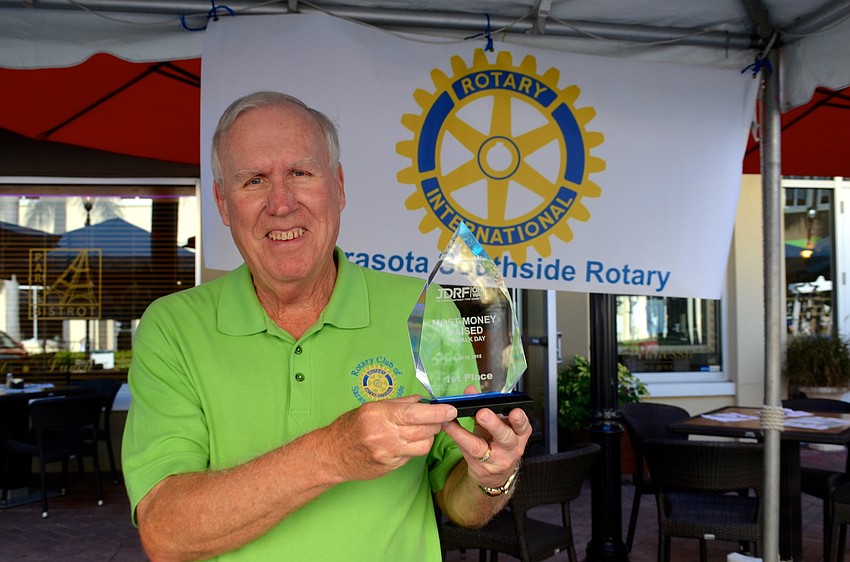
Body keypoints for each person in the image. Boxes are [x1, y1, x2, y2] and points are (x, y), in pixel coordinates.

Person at [121, 90, 531, 561]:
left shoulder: (430, 309)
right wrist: (334, 452)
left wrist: (493, 475)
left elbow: (461, 499)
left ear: (337, 186)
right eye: (254, 180)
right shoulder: (173, 327)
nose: (281, 203)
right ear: (222, 202)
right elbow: (167, 535)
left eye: (300, 173)